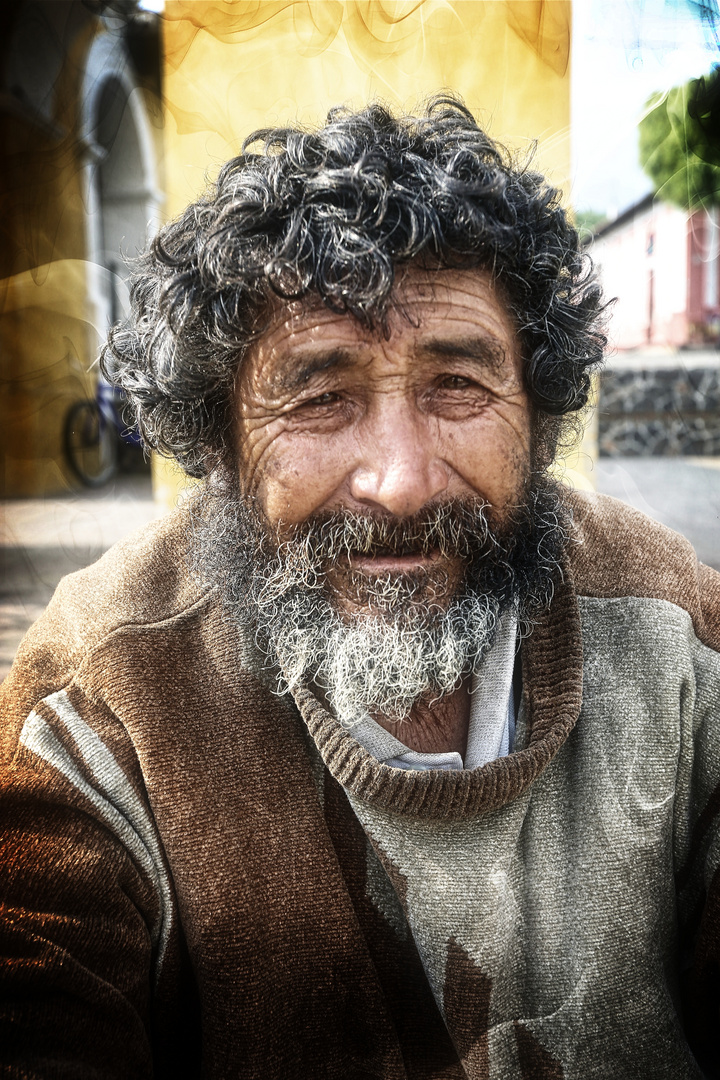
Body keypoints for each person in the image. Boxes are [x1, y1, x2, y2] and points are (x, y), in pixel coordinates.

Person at [1, 96, 719, 1080]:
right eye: (320, 397)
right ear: (223, 443)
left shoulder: (675, 630)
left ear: (540, 417)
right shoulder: (97, 702)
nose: (403, 478)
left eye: (458, 387)